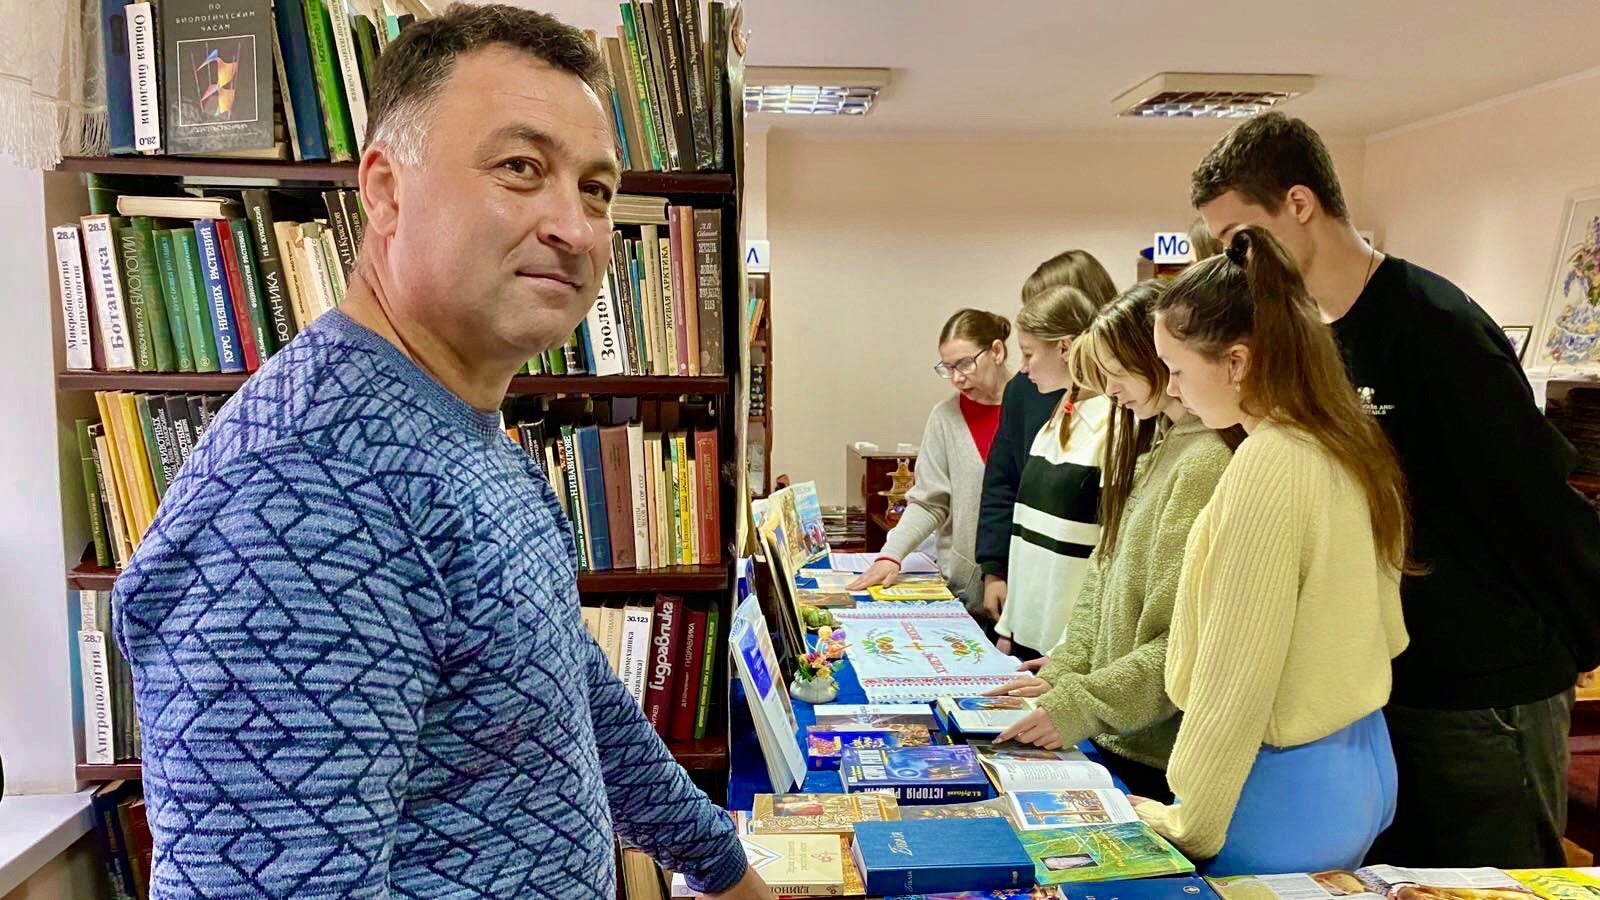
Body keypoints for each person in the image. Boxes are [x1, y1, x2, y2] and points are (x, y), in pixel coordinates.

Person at [110, 7, 766, 899]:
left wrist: (723, 868)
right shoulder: (306, 488)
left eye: (596, 189)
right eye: (521, 168)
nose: (576, 228)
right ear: (385, 191)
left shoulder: (457, 423)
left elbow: (570, 695)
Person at [1191, 111, 1600, 867]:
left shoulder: (1436, 326)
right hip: (1388, 687)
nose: (1237, 263)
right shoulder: (1313, 336)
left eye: (1240, 239)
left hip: (1486, 690)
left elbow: (1535, 503)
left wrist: (1581, 641)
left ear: (1299, 204)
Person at [1134, 226, 1410, 873]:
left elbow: (1236, 673)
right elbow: (1387, 625)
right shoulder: (1345, 437)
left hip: (1280, 784)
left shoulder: (1270, 462)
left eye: (1178, 369)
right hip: (1360, 757)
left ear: (1236, 362)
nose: (1173, 389)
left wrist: (1190, 820)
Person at [983, 281, 1234, 804]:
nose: (1109, 390)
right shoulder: (1158, 444)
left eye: (1117, 372)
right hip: (1117, 728)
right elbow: (1102, 578)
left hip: (1152, 744)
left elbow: (1182, 638)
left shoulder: (1206, 461)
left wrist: (1083, 701)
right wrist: (1070, 666)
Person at [977, 251, 1117, 630]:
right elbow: (1005, 485)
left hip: (1075, 610)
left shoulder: (1118, 411)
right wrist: (995, 569)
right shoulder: (1033, 394)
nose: (1024, 366)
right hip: (1034, 605)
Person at [849, 309, 1012, 612]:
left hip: (1025, 588)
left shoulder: (1031, 407)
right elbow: (929, 502)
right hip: (967, 592)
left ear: (997, 351)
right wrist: (891, 554)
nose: (957, 378)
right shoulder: (945, 417)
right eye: (948, 368)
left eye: (965, 364)